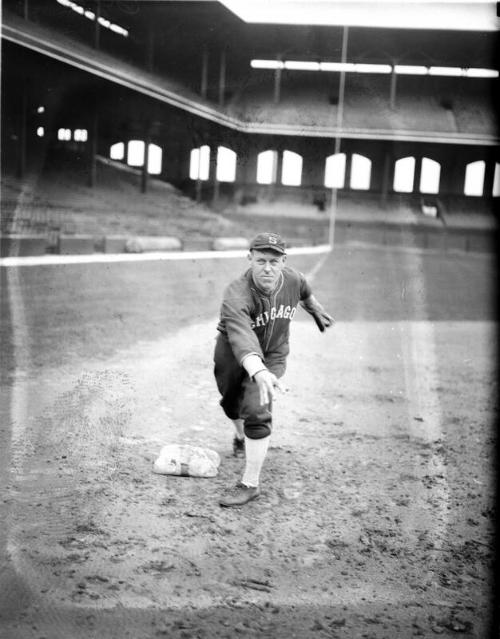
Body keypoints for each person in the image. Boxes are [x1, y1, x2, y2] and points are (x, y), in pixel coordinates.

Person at [214, 232, 334, 507]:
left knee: (257, 408)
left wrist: (313, 307)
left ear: (283, 262)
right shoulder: (236, 293)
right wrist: (256, 370)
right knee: (231, 403)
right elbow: (242, 337)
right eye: (261, 261)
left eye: (274, 261)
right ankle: (240, 436)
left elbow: (303, 289)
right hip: (233, 353)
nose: (267, 268)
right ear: (250, 259)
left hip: (273, 356)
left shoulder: (292, 278)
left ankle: (250, 483)